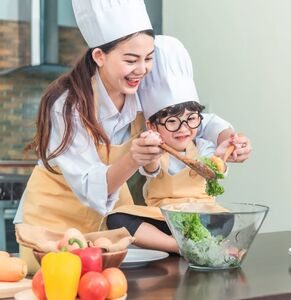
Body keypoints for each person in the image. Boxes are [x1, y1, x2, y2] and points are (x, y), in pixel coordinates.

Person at [14, 0, 250, 271]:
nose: (142, 69)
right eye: (130, 60)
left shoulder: (138, 88)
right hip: (54, 224)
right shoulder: (68, 105)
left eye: (148, 58)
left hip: (111, 227)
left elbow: (195, 119)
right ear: (99, 56)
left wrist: (228, 139)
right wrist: (133, 159)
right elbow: (91, 185)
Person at [106, 36, 232, 253]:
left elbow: (216, 170)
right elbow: (151, 169)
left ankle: (190, 243)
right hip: (164, 218)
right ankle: (178, 246)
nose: (183, 129)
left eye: (191, 119)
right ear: (152, 126)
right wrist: (151, 150)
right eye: (172, 122)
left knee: (225, 220)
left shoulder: (202, 147)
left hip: (202, 214)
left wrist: (220, 158)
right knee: (117, 219)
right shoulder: (153, 150)